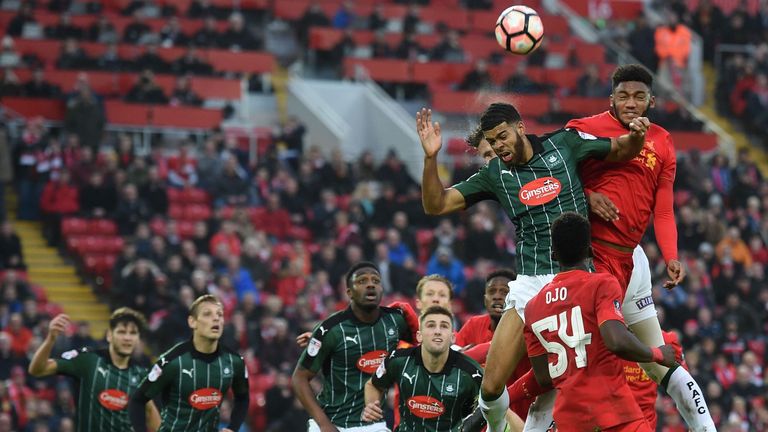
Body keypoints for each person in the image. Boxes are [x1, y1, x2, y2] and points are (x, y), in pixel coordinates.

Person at [416, 101, 648, 432]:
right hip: (530, 283)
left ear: (520, 127)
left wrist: (637, 136)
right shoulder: (495, 175)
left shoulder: (565, 143)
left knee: (578, 377)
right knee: (492, 386)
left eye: (502, 137)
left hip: (578, 279)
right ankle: (498, 428)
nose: (499, 147)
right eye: (493, 143)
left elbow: (622, 149)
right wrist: (430, 157)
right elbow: (435, 204)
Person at [564, 64, 715, 431]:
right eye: (623, 95)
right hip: (592, 258)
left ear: (651, 100)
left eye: (639, 96)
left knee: (660, 360)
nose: (631, 103)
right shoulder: (581, 129)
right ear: (611, 98)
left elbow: (662, 208)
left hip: (633, 260)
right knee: (581, 360)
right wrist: (587, 196)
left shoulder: (662, 140)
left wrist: (672, 256)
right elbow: (556, 183)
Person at [523, 212, 678, 432]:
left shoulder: (532, 307)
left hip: (571, 421)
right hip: (615, 414)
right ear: (590, 250)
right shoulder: (602, 284)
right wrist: (657, 354)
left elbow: (543, 377)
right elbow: (615, 341)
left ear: (553, 254)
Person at [292, 262, 414, 432]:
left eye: (376, 281)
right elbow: (299, 378)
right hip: (333, 422)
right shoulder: (331, 330)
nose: (370, 284)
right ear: (349, 292)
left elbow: (423, 345)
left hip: (374, 425)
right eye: (362, 281)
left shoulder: (396, 321)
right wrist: (324, 424)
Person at [128, 295, 250, 432]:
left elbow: (242, 398)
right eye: (207, 314)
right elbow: (137, 401)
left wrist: (233, 428)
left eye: (220, 315)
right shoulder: (172, 361)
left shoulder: (234, 361)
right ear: (192, 322)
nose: (216, 318)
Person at [28, 308, 161, 432]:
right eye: (121, 332)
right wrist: (51, 339)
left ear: (138, 338)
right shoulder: (88, 361)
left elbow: (150, 413)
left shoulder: (141, 374)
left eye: (133, 333)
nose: (127, 338)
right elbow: (38, 370)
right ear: (109, 335)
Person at [361, 305, 483, 431]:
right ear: (419, 336)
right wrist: (371, 407)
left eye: (444, 326)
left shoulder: (471, 373)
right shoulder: (398, 359)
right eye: (431, 325)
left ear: (452, 338)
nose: (437, 331)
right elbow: (374, 384)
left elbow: (495, 404)